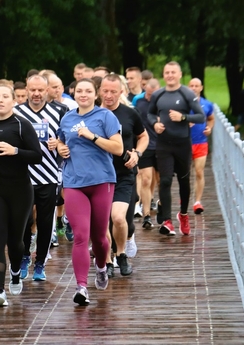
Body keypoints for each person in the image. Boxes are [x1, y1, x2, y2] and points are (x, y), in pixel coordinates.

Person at [0, 84, 42, 307]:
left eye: (5, 97)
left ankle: (14, 271)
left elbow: (37, 156)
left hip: (19, 189)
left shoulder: (23, 126)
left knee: (15, 240)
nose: (1, 101)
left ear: (13, 101)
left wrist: (15, 151)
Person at [57, 78, 123, 306]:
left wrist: (92, 136)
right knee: (81, 236)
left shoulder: (105, 116)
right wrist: (60, 148)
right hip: (74, 182)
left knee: (99, 238)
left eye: (88, 91)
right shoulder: (67, 118)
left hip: (101, 181)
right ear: (74, 93)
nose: (83, 94)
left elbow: (118, 148)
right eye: (79, 91)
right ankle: (82, 287)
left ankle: (102, 267)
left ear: (95, 94)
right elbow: (61, 143)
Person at [14, 74, 65, 281]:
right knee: (24, 222)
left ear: (47, 91)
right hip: (22, 177)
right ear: (26, 89)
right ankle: (25, 255)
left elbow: (67, 141)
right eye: (32, 90)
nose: (36, 94)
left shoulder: (60, 112)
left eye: (40, 90)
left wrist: (58, 144)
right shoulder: (16, 113)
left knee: (45, 223)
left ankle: (40, 263)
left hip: (49, 175)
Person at [147, 61, 205, 236]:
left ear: (180, 74)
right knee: (165, 180)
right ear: (163, 75)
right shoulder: (158, 94)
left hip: (182, 144)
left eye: (173, 72)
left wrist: (183, 117)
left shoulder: (187, 93)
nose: (170, 75)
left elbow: (201, 116)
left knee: (183, 181)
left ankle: (184, 214)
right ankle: (167, 220)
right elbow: (150, 114)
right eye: (167, 72)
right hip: (164, 144)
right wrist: (155, 124)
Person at [100, 74, 148, 277]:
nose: (109, 95)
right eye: (105, 91)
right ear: (99, 91)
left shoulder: (130, 114)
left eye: (113, 91)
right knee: (102, 221)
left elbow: (143, 136)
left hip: (124, 173)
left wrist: (137, 153)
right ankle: (108, 260)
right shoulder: (91, 114)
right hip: (99, 175)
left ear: (121, 92)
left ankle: (121, 254)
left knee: (119, 218)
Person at [135, 78, 161, 229]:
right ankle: (146, 215)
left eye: (153, 94)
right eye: (148, 94)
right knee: (145, 179)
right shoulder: (139, 102)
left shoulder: (163, 103)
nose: (150, 97)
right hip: (145, 146)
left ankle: (161, 206)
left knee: (161, 181)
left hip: (161, 145)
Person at [188, 78, 215, 214]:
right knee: (185, 174)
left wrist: (209, 128)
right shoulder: (183, 104)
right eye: (191, 85)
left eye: (196, 86)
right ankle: (184, 200)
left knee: (199, 171)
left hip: (201, 142)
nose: (193, 88)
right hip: (185, 143)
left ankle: (197, 201)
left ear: (201, 88)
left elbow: (211, 118)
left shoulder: (207, 104)